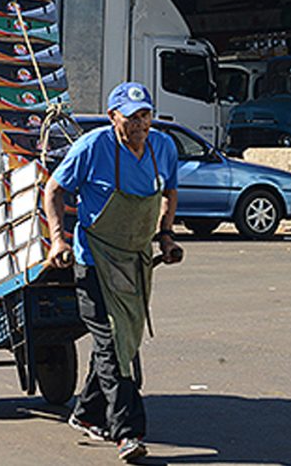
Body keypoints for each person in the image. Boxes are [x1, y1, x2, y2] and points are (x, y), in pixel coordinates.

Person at [44, 82, 182, 462]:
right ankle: (128, 432)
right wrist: (59, 240)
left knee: (126, 340)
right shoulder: (92, 147)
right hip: (94, 260)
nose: (140, 124)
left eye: (145, 116)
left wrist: (166, 236)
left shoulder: (163, 147)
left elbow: (169, 191)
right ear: (112, 116)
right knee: (110, 342)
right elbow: (53, 189)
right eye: (131, 117)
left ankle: (86, 413)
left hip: (134, 260)